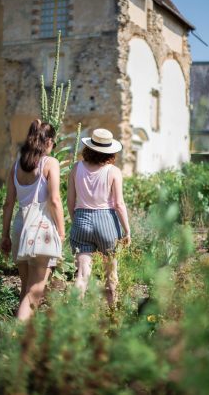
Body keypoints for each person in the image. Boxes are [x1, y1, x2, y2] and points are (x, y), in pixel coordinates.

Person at [0, 119, 65, 321]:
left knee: (25, 290)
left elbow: (8, 203)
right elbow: (54, 200)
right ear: (49, 141)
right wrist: (61, 233)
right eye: (53, 143)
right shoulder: (50, 163)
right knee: (35, 291)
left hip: (21, 227)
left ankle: (22, 342)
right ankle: (17, 339)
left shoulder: (16, 166)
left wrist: (5, 235)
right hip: (41, 228)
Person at [67, 128, 131, 307]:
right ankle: (113, 317)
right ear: (110, 151)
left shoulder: (76, 168)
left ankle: (75, 317)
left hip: (81, 219)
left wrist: (76, 220)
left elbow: (70, 201)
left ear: (89, 148)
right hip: (107, 222)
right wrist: (127, 231)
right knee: (111, 274)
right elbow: (119, 204)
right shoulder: (113, 171)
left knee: (82, 275)